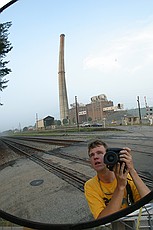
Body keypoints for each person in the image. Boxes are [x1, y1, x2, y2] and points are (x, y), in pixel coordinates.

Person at [84, 140, 151, 219]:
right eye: (92, 155)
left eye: (99, 153)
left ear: (108, 155)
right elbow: (101, 220)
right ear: (90, 162)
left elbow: (149, 202)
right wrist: (120, 186)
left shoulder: (127, 176)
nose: (95, 157)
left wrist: (131, 170)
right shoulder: (90, 186)